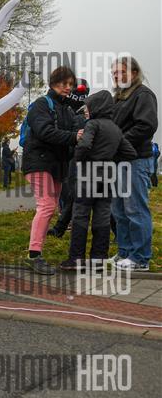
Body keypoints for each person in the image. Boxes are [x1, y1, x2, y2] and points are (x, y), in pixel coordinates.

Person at [60, 90, 136, 271]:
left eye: (88, 107)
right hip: (108, 177)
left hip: (88, 175)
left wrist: (79, 159)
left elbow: (85, 145)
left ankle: (76, 260)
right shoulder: (115, 128)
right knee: (102, 218)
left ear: (97, 107)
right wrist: (109, 158)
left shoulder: (92, 124)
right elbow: (130, 153)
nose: (86, 111)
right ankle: (98, 261)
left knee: (80, 216)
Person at [22, 66, 82, 275]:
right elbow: (44, 131)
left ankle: (37, 250)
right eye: (64, 83)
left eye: (71, 84)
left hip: (57, 165)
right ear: (53, 83)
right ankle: (33, 255)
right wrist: (74, 137)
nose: (68, 88)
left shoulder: (67, 110)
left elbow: (73, 135)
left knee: (51, 207)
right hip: (38, 161)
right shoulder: (41, 104)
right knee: (47, 205)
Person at [110, 56, 158, 272]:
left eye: (122, 72)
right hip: (118, 161)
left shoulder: (143, 95)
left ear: (135, 73)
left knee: (135, 209)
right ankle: (125, 252)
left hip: (136, 160)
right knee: (119, 210)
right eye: (114, 73)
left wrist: (117, 142)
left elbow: (146, 126)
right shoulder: (118, 98)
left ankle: (140, 258)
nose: (117, 76)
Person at [48, 78, 90, 238]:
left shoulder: (78, 114)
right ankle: (61, 227)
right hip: (75, 157)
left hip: (78, 158)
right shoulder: (72, 112)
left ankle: (64, 226)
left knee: (75, 194)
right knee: (72, 194)